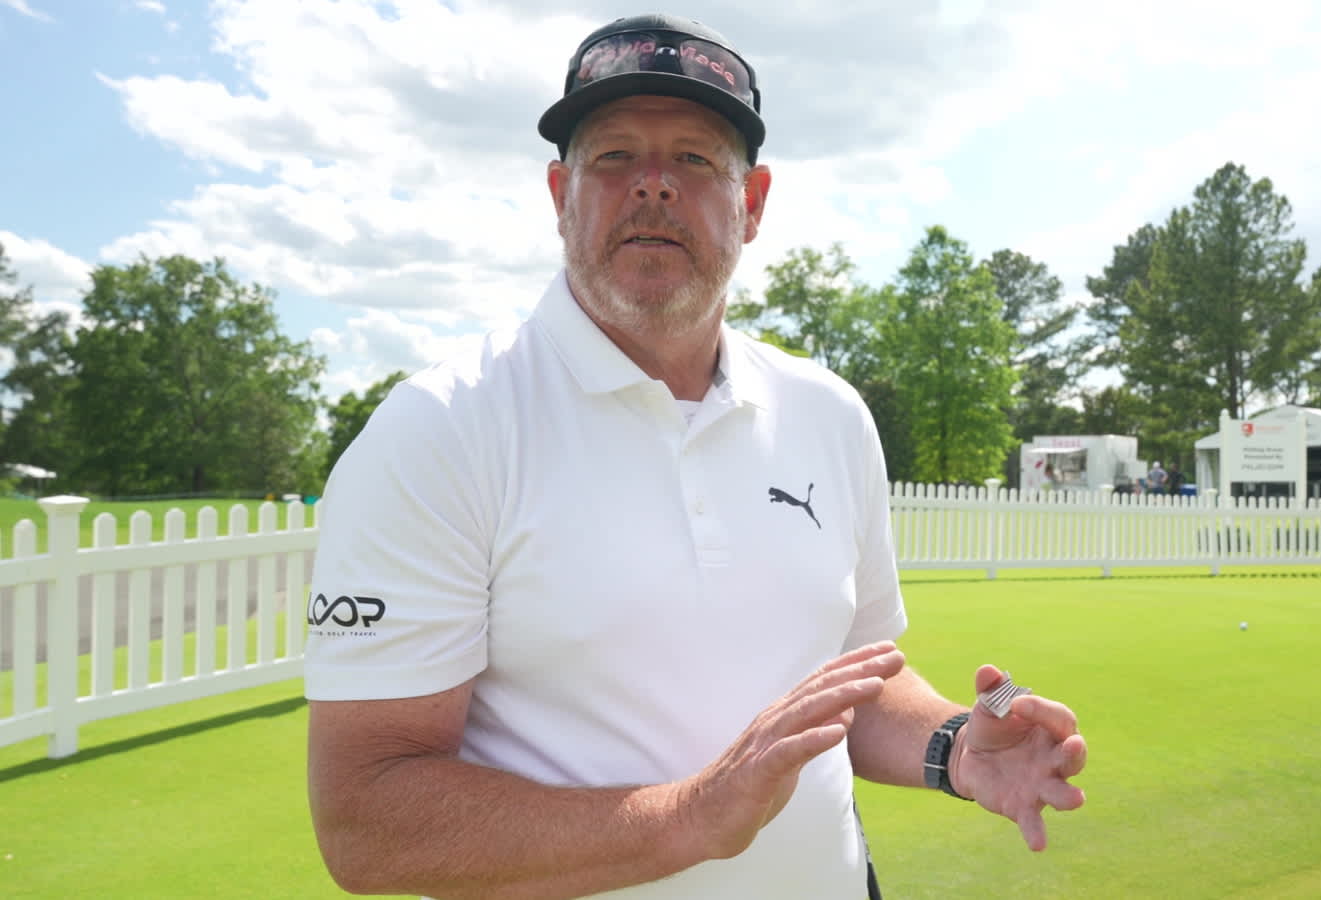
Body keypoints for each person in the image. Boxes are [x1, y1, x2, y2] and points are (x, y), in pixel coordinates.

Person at [303, 13, 1087, 900]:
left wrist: (956, 751)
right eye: (613, 158)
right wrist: (690, 817)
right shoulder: (441, 428)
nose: (653, 186)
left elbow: (855, 683)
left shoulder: (826, 412)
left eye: (694, 160)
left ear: (750, 206)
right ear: (560, 194)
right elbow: (367, 822)